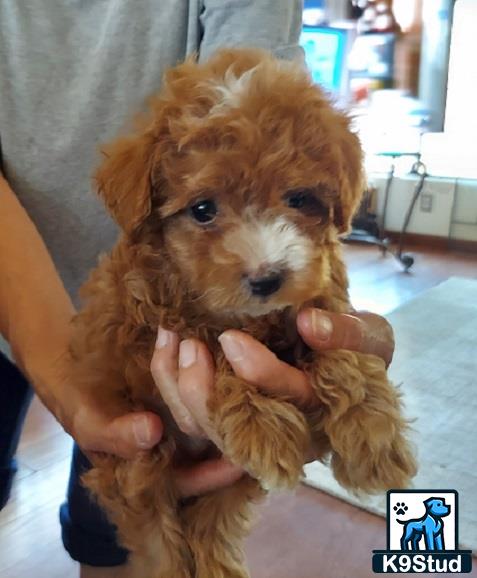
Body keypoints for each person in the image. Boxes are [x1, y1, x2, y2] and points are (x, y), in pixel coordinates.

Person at [0, 2, 394, 576]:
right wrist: (63, 376)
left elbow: (267, 100)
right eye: (207, 208)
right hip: (46, 282)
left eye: (298, 201)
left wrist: (331, 351)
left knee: (116, 531)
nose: (263, 255)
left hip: (190, 305)